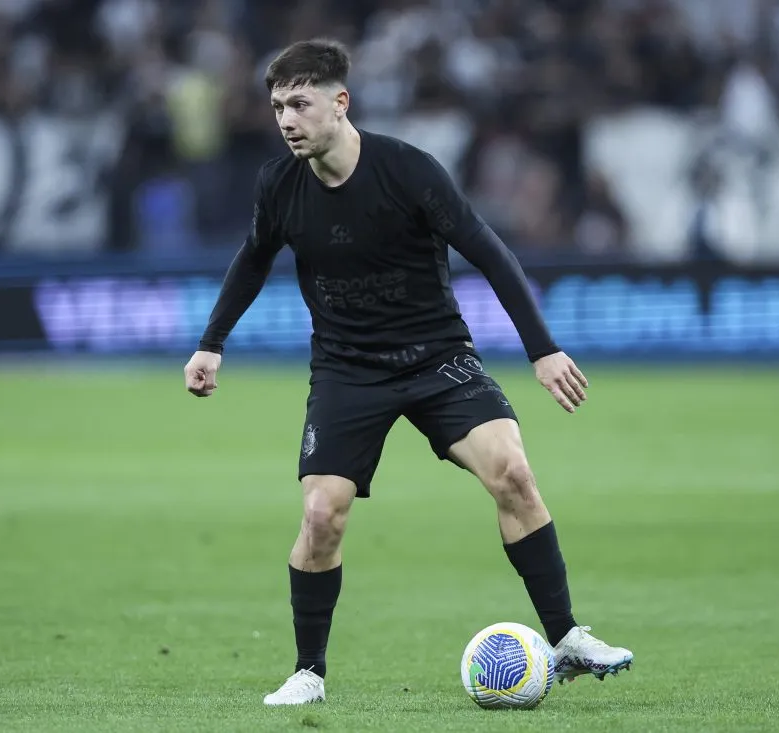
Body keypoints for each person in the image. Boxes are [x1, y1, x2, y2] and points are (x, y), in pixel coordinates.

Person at [183, 38, 633, 706]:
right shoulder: (279, 184)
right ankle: (309, 670)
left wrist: (542, 347)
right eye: (277, 105)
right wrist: (211, 342)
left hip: (436, 356)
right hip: (347, 369)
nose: (285, 119)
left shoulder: (408, 171)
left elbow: (490, 250)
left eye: (299, 103)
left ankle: (565, 636)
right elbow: (253, 257)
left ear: (341, 103)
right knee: (321, 513)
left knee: (512, 471)